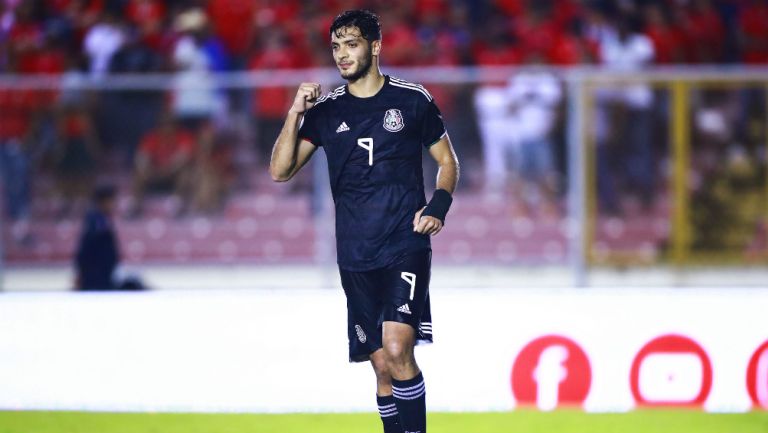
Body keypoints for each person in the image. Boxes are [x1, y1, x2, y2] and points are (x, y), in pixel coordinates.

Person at [269, 10, 459, 433]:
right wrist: (294, 114)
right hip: (355, 253)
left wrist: (437, 207)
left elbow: (447, 161)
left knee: (397, 347)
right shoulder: (326, 109)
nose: (341, 54)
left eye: (351, 44)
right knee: (382, 369)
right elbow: (280, 171)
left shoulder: (412, 100)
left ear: (375, 46)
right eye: (336, 46)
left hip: (403, 244)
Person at [75, 184, 120, 291]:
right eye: (112, 201)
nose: (114, 204)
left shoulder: (101, 219)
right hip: (96, 278)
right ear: (103, 201)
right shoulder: (95, 221)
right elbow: (86, 249)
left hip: (103, 276)